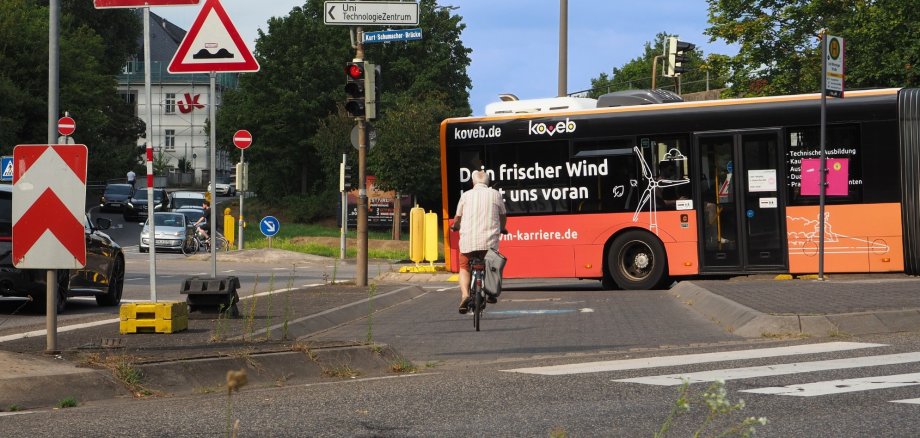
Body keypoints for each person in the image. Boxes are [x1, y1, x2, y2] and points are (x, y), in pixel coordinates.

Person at [450, 169, 507, 314]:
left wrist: (455, 227)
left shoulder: (466, 196)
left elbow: (458, 218)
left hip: (468, 243)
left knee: (464, 267)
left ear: (473, 182)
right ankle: (491, 293)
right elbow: (503, 215)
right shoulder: (495, 194)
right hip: (489, 243)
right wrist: (502, 227)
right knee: (492, 264)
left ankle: (465, 296)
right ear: (487, 182)